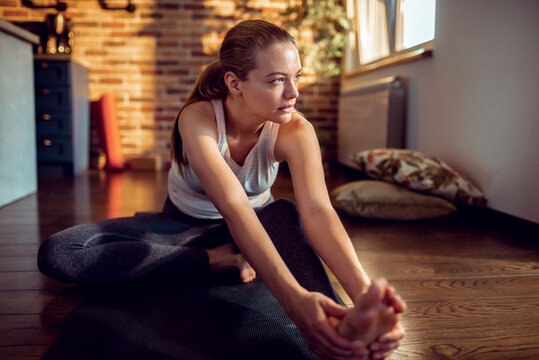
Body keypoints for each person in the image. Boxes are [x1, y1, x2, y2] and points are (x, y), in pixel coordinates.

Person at [38, 19, 405, 360]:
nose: (294, 92)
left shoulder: (295, 129)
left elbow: (319, 212)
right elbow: (234, 207)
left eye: (296, 77)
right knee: (59, 252)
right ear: (234, 83)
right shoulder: (197, 119)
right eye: (277, 80)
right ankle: (216, 258)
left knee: (286, 212)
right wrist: (293, 302)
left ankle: (339, 323)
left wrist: (366, 296)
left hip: (257, 225)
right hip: (183, 228)